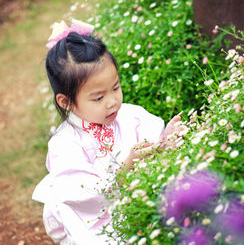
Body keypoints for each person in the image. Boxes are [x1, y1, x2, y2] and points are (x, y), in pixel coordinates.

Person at [32, 19, 183, 244]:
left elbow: (149, 146)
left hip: (135, 202)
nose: (113, 102)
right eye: (99, 97)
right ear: (66, 102)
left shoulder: (130, 115)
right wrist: (124, 170)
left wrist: (164, 141)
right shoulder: (65, 144)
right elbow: (80, 194)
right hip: (97, 220)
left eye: (116, 87)